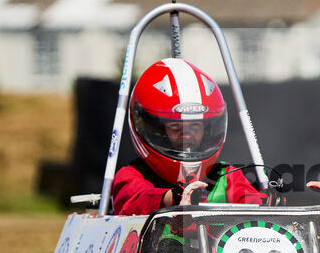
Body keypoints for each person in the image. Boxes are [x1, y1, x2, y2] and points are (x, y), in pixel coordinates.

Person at [112, 57, 265, 215]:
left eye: (194, 127)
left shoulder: (225, 177)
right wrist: (172, 197)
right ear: (159, 131)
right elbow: (132, 205)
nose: (187, 135)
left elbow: (252, 206)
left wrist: (265, 203)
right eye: (176, 127)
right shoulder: (132, 176)